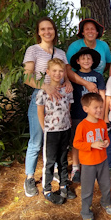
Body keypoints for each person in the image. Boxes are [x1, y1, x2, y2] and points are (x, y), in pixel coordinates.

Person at [23, 17, 72, 197]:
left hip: (59, 100)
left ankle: (56, 171)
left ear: (54, 31)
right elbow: (27, 77)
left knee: (57, 139)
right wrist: (45, 86)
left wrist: (68, 83)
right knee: (37, 139)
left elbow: (65, 74)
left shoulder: (60, 52)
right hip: (41, 97)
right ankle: (29, 177)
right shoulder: (33, 50)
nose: (47, 32)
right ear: (38, 32)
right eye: (43, 29)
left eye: (50, 28)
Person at [36, 58, 76, 204]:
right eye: (54, 71)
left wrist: (67, 123)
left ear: (64, 72)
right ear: (48, 72)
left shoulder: (67, 90)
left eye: (61, 71)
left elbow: (68, 109)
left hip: (65, 129)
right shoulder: (43, 92)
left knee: (63, 159)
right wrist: (44, 127)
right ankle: (46, 190)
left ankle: (64, 185)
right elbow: (40, 111)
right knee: (50, 161)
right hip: (51, 132)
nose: (58, 74)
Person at [73, 93, 111, 220]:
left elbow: (105, 138)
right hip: (88, 163)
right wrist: (91, 145)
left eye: (101, 107)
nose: (99, 110)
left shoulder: (102, 123)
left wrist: (106, 142)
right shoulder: (82, 126)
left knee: (106, 185)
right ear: (86, 109)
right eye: (95, 107)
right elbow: (76, 143)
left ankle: (106, 202)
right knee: (87, 190)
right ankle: (86, 213)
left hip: (102, 160)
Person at [69, 47, 106, 183]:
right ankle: (75, 167)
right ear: (78, 61)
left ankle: (92, 165)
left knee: (95, 138)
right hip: (78, 113)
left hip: (95, 115)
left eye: (88, 58)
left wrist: (102, 114)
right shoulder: (74, 76)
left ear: (93, 61)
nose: (86, 61)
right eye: (83, 58)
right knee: (77, 140)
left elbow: (102, 94)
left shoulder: (97, 76)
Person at [66, 18, 111, 93]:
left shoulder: (103, 45)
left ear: (97, 32)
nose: (90, 31)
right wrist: (86, 83)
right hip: (78, 86)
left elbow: (108, 63)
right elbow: (67, 69)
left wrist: (96, 76)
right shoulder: (74, 46)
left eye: (92, 29)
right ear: (83, 32)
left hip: (97, 85)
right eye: (87, 29)